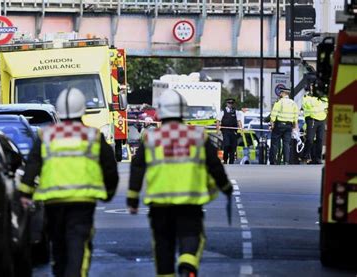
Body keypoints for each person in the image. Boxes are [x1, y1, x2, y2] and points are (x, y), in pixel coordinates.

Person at [127, 89, 232, 277]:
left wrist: (132, 198)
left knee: (163, 245)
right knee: (192, 238)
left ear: (160, 112)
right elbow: (214, 165)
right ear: (183, 111)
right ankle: (187, 265)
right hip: (190, 203)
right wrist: (226, 187)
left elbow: (137, 167)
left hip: (159, 205)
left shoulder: (151, 138)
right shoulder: (198, 136)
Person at [17, 87, 119, 277]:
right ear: (82, 109)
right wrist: (109, 192)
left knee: (59, 246)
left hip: (53, 202)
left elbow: (32, 165)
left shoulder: (45, 135)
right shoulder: (93, 136)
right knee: (78, 244)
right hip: (82, 202)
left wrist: (24, 193)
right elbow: (109, 167)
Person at [269, 88, 299, 165]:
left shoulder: (279, 102)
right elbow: (296, 115)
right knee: (286, 144)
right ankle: (286, 161)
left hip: (279, 125)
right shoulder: (293, 103)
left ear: (283, 93)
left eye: (280, 92)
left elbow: (274, 113)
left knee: (275, 143)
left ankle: (273, 160)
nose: (279, 94)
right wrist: (295, 125)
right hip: (289, 126)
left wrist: (272, 123)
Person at [301, 88, 328, 164]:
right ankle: (305, 156)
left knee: (320, 139)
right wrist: (318, 102)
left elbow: (327, 105)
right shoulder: (307, 97)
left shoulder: (323, 97)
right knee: (310, 139)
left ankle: (318, 158)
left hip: (322, 119)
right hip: (312, 119)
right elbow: (307, 105)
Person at [216, 98, 243, 164]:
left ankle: (231, 161)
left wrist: (241, 129)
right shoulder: (223, 111)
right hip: (225, 131)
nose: (230, 104)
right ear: (227, 103)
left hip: (233, 131)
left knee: (233, 147)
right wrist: (218, 130)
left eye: (232, 103)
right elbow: (218, 121)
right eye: (229, 103)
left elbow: (239, 121)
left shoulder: (236, 112)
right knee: (226, 145)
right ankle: (225, 159)